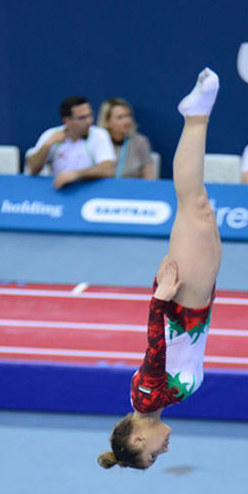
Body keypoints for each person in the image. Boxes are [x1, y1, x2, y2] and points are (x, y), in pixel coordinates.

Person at [97, 68, 220, 470]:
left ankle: (195, 115)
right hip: (193, 307)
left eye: (151, 453)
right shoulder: (155, 403)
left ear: (137, 438)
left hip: (181, 305)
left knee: (195, 206)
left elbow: (155, 350)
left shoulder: (147, 400)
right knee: (201, 211)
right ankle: (196, 116)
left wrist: (159, 299)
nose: (163, 451)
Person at [26, 96, 116, 189]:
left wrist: (75, 174)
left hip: (91, 191)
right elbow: (32, 169)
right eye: (82, 118)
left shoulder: (99, 134)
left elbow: (108, 169)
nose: (89, 121)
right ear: (66, 121)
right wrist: (47, 145)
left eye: (90, 116)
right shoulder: (51, 135)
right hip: (58, 192)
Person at [98, 98, 157, 179]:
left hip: (134, 189)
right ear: (107, 122)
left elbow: (150, 179)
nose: (127, 121)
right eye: (120, 117)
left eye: (128, 116)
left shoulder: (140, 142)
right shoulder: (98, 143)